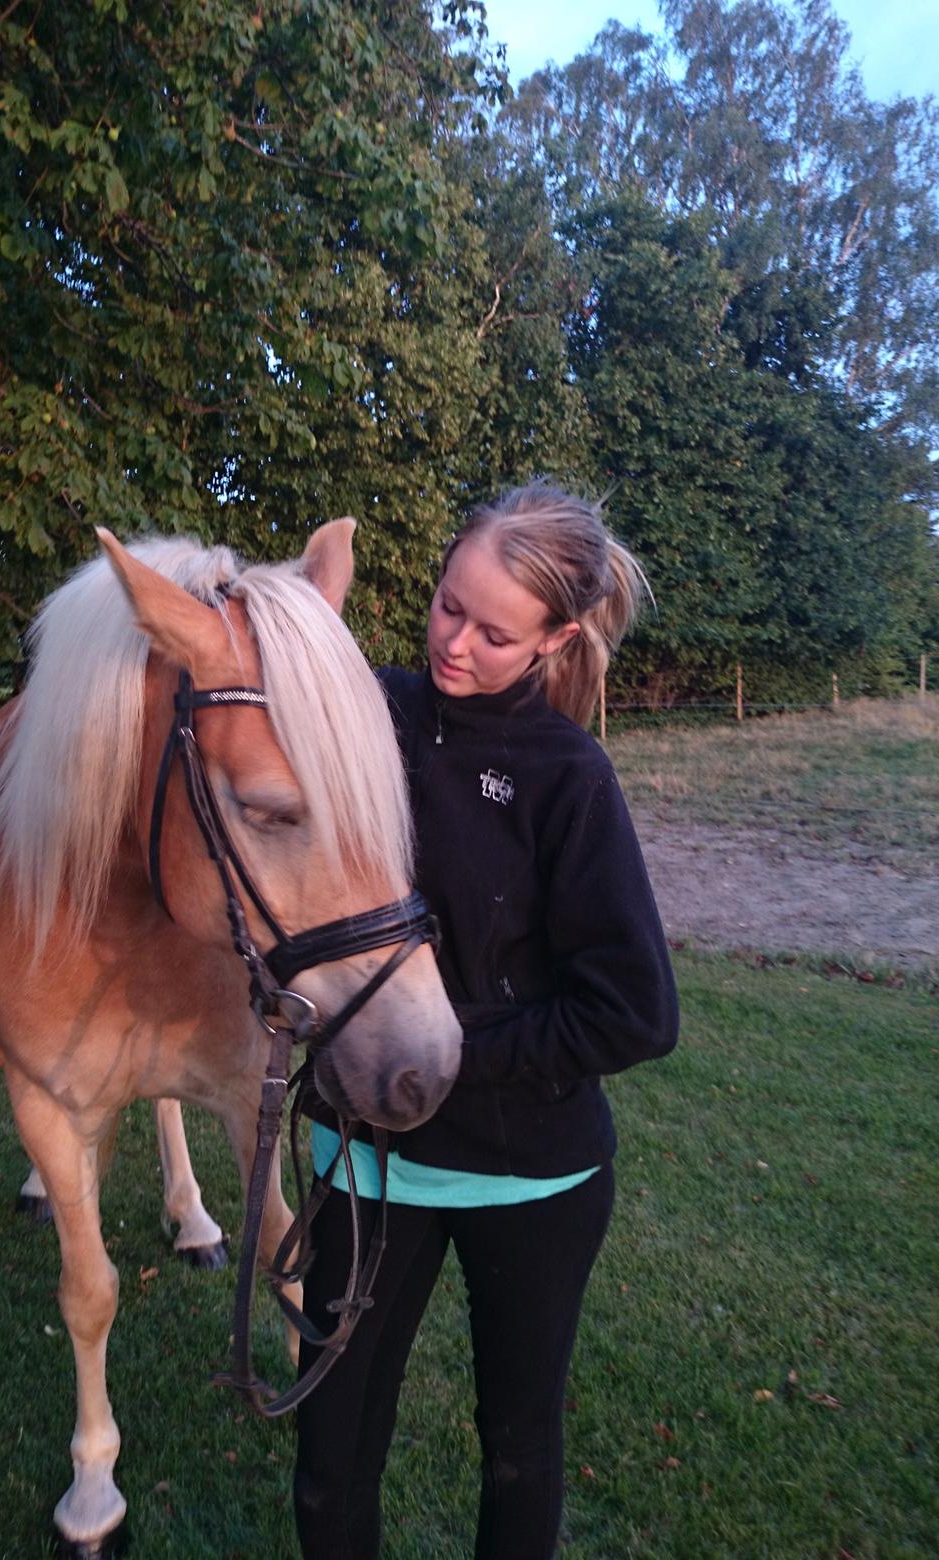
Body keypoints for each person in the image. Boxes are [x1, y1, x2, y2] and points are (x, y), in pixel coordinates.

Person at [293, 480, 680, 1559]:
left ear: (555, 637)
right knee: (330, 1462)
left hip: (533, 1180)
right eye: (446, 605)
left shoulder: (570, 779)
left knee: (517, 1450)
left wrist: (451, 1058)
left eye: (495, 631)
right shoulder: (370, 712)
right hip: (360, 1166)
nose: (454, 644)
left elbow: (637, 1012)